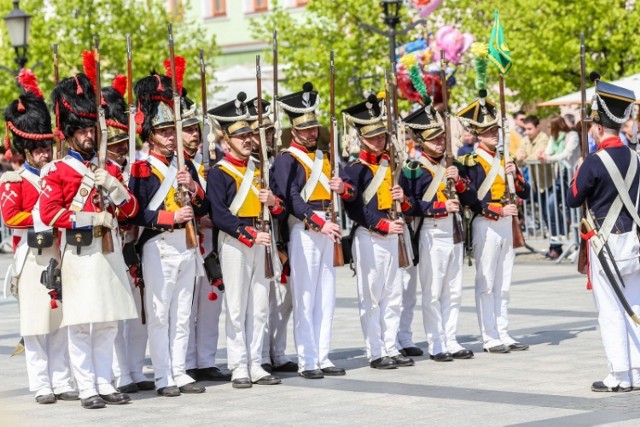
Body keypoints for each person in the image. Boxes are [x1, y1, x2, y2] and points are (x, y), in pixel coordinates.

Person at [40, 71, 139, 409]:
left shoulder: (108, 170)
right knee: (82, 323)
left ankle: (106, 381)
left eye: (90, 130)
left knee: (108, 320)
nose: (87, 135)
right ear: (69, 135)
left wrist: (116, 188)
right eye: (81, 131)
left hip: (108, 251)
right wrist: (88, 217)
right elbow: (50, 213)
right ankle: (86, 388)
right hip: (80, 252)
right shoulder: (58, 171)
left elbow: (130, 210)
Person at [128, 70, 207, 397]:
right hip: (158, 244)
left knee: (183, 312)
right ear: (151, 134)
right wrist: (171, 215)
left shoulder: (183, 165)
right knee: (160, 313)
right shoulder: (142, 167)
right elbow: (136, 212)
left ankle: (179, 371)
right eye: (163, 131)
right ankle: (162, 376)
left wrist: (193, 188)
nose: (171, 136)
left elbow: (203, 207)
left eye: (170, 130)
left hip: (186, 242)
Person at [1, 69, 77, 405]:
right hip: (31, 255)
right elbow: (10, 217)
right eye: (38, 149)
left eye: (48, 147)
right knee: (35, 322)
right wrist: (45, 214)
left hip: (59, 251)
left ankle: (61, 380)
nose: (45, 154)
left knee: (60, 320)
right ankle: (41, 383)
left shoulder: (58, 176)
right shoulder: (14, 181)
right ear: (25, 151)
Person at [206, 92, 284, 388]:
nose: (248, 140)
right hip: (236, 240)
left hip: (261, 239)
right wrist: (249, 234)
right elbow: (220, 214)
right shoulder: (220, 172)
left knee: (260, 306)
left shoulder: (260, 169)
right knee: (237, 307)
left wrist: (274, 201)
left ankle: (256, 362)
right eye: (241, 136)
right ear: (226, 141)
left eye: (250, 134)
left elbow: (279, 208)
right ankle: (238, 365)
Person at [567, 79, 640, 392]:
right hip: (632, 239)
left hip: (605, 242)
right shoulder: (636, 157)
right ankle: (637, 370)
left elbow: (572, 198)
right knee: (634, 305)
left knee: (610, 309)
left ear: (597, 126)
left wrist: (581, 168)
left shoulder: (594, 162)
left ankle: (619, 375)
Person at [272, 82, 346, 379]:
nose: (311, 133)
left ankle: (323, 354)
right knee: (305, 297)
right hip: (305, 228)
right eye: (305, 129)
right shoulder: (286, 159)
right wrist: (318, 222)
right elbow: (290, 198)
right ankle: (307, 359)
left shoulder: (323, 156)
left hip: (327, 226)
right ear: (294, 129)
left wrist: (342, 188)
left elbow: (333, 189)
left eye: (313, 128)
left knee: (326, 296)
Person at [339, 94, 415, 370]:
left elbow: (407, 203)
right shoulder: (354, 170)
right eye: (373, 137)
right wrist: (382, 225)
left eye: (382, 135)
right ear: (361, 138)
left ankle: (391, 346)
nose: (379, 141)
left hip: (393, 235)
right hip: (370, 235)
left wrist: (402, 198)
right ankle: (375, 350)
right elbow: (354, 208)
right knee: (371, 297)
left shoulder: (393, 167)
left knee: (393, 295)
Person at [400, 97, 477, 362]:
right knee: (433, 291)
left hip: (454, 231)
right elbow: (408, 205)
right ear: (421, 142)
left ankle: (451, 338)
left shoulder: (451, 166)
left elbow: (473, 200)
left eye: (442, 138)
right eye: (434, 140)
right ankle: (436, 343)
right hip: (432, 230)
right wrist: (438, 208)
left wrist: (460, 182)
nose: (440, 143)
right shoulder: (413, 169)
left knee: (454, 291)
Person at [457, 89, 530, 354]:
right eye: (488, 131)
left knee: (505, 281)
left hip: (506, 224)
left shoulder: (505, 159)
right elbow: (470, 200)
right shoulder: (469, 161)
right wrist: (498, 211)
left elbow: (524, 192)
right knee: (486, 281)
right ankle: (489, 336)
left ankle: (504, 330)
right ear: (477, 134)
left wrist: (516, 175)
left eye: (495, 130)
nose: (494, 134)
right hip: (485, 223)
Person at [98, 80, 155, 395]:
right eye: (116, 143)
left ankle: (133, 369)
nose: (121, 147)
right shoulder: (102, 171)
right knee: (116, 314)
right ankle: (118, 374)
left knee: (138, 313)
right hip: (112, 244)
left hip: (136, 244)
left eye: (124, 142)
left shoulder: (134, 167)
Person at [246, 97, 299, 374]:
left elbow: (287, 201)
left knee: (282, 301)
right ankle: (260, 357)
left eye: (268, 131)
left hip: (279, 235)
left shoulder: (276, 163)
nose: (264, 137)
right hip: (254, 235)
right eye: (258, 133)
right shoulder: (246, 165)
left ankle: (278, 352)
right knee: (259, 303)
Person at [180, 93, 230, 383]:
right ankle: (185, 361)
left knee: (211, 303)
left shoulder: (208, 162)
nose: (194, 135)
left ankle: (205, 359)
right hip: (189, 237)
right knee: (186, 305)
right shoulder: (179, 166)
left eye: (195, 129)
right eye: (188, 129)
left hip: (210, 240)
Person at [537, 115, 580, 259]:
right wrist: (543, 155)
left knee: (572, 211)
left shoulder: (572, 135)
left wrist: (548, 158)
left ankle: (576, 244)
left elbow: (566, 154)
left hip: (573, 176)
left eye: (551, 127)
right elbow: (549, 151)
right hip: (560, 177)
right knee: (551, 205)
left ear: (557, 126)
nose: (549, 130)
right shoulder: (554, 137)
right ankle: (560, 237)